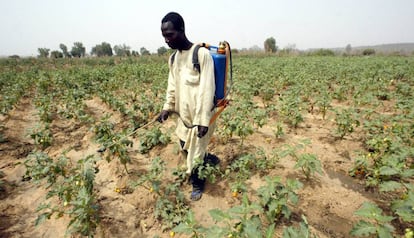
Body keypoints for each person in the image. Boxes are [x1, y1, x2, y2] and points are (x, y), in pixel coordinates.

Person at [157, 12, 219, 201]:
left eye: (170, 35)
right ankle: (210, 159)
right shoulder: (173, 59)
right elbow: (172, 86)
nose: (167, 40)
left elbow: (207, 89)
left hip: (202, 115)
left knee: (196, 153)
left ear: (181, 30)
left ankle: (197, 183)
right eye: (164, 36)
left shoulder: (201, 55)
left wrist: (203, 120)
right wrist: (167, 107)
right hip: (183, 117)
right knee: (184, 145)